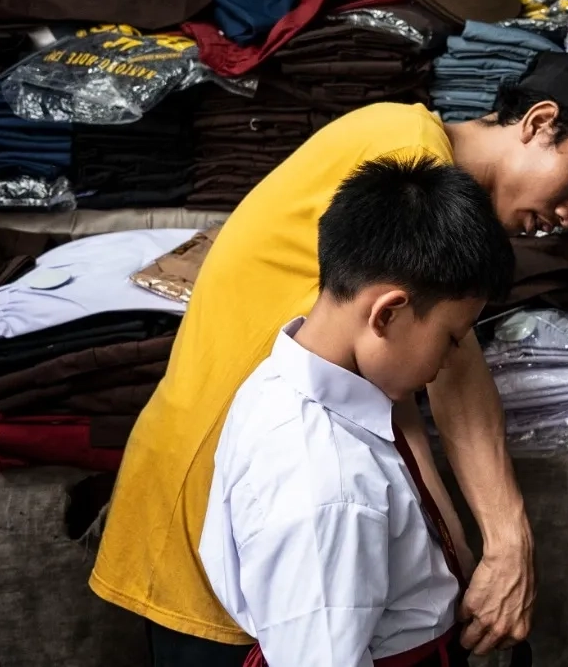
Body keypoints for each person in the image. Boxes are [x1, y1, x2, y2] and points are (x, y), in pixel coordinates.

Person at [92, 52, 568, 666]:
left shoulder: (412, 163)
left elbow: (400, 395)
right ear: (539, 123)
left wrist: (462, 558)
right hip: (217, 495)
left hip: (259, 503)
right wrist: (506, 545)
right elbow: (451, 376)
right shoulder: (408, 155)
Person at [200, 156, 513, 667]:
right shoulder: (327, 486)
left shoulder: (285, 384)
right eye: (451, 339)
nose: (447, 362)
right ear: (387, 314)